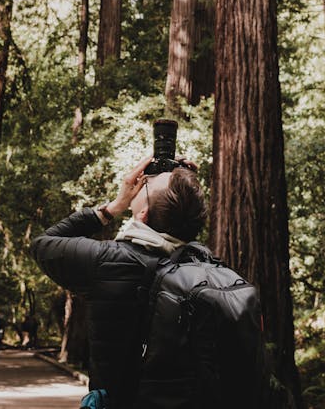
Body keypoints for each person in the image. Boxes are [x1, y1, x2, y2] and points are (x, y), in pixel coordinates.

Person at [31, 156, 207, 409]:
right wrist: (187, 193)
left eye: (146, 186)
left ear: (143, 214)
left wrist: (113, 206)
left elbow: (43, 243)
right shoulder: (203, 266)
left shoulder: (108, 261)